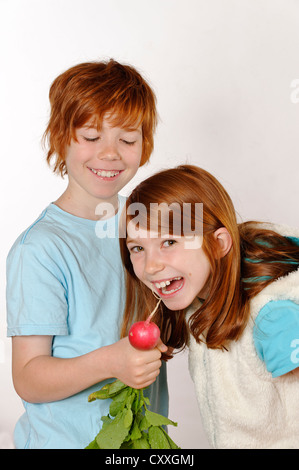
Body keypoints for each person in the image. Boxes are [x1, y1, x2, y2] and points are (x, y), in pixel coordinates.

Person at [6, 59, 169, 449]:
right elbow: (27, 376)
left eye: (127, 140)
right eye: (92, 136)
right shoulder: (41, 249)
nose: (110, 154)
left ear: (144, 145)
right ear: (60, 138)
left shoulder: (147, 223)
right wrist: (110, 362)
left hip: (140, 443)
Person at [119, 164, 299, 449]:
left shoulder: (273, 319)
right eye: (138, 248)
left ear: (218, 245)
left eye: (169, 242)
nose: (151, 266)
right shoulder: (198, 297)